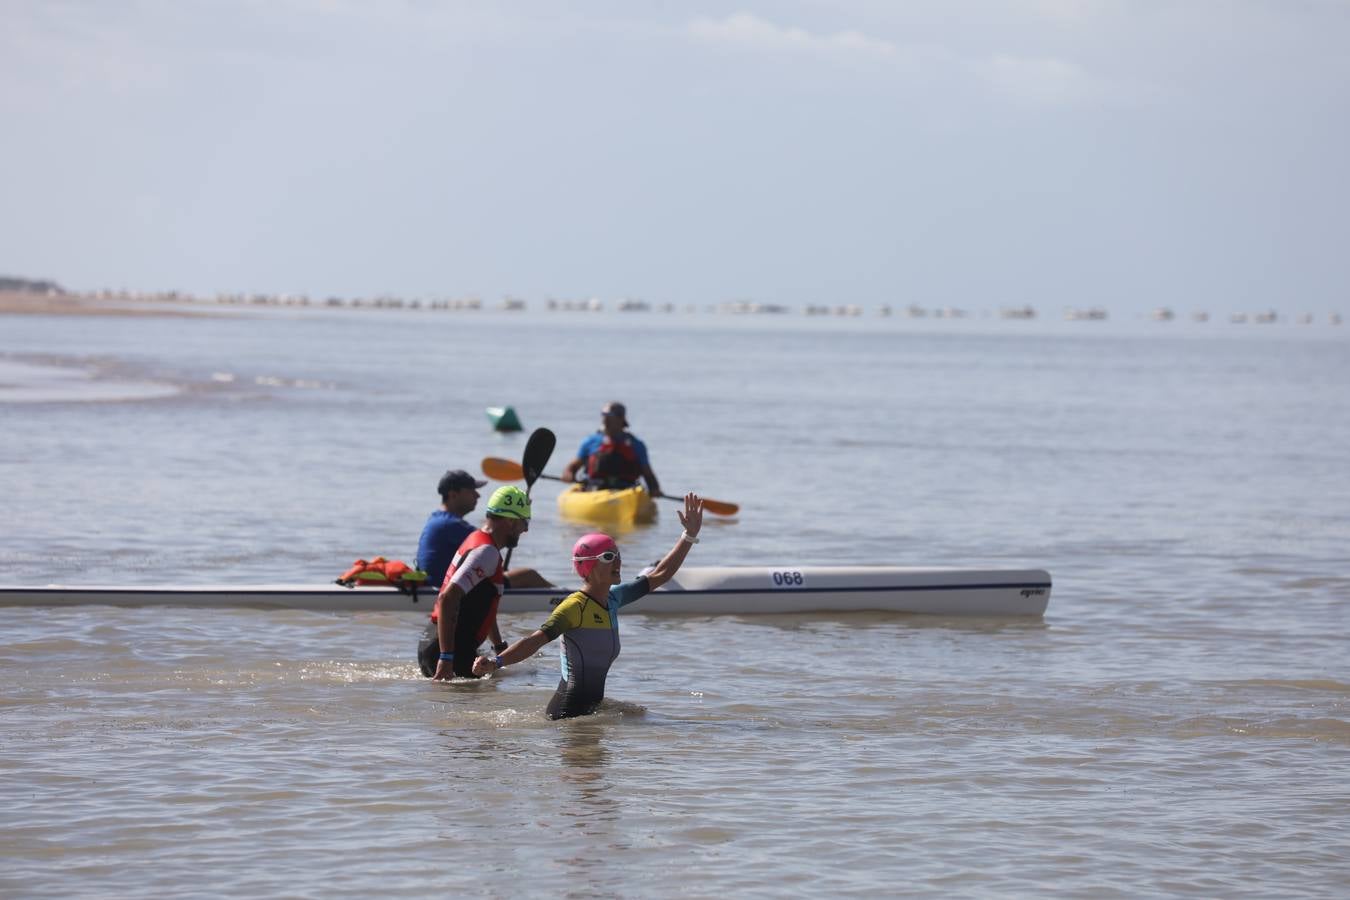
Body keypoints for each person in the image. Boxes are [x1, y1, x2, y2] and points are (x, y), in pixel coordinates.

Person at [472, 493, 704, 719]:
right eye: (608, 557)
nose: (618, 562)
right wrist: (496, 662)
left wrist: (688, 536)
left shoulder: (614, 599)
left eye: (617, 555)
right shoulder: (575, 607)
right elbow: (534, 640)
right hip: (566, 715)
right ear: (588, 567)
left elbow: (660, 575)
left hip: (589, 714)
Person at [419, 484, 535, 680]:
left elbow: (483, 606)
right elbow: (448, 597)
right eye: (524, 522)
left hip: (436, 646)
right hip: (449, 653)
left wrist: (498, 646)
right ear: (510, 521)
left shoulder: (477, 540)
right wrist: (446, 658)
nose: (525, 530)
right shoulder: (486, 552)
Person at [416, 468, 553, 591]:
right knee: (529, 576)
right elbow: (492, 539)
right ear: (453, 495)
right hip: (449, 588)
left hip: (442, 584)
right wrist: (517, 510)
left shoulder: (437, 519)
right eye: (471, 490)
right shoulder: (450, 525)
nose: (478, 495)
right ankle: (562, 600)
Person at [560, 401, 662, 495]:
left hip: (626, 492)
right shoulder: (591, 441)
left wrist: (654, 488)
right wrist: (568, 474)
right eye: (604, 415)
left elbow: (648, 474)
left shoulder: (636, 445)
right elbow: (572, 467)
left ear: (621, 418)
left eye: (610, 416)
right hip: (595, 490)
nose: (605, 419)